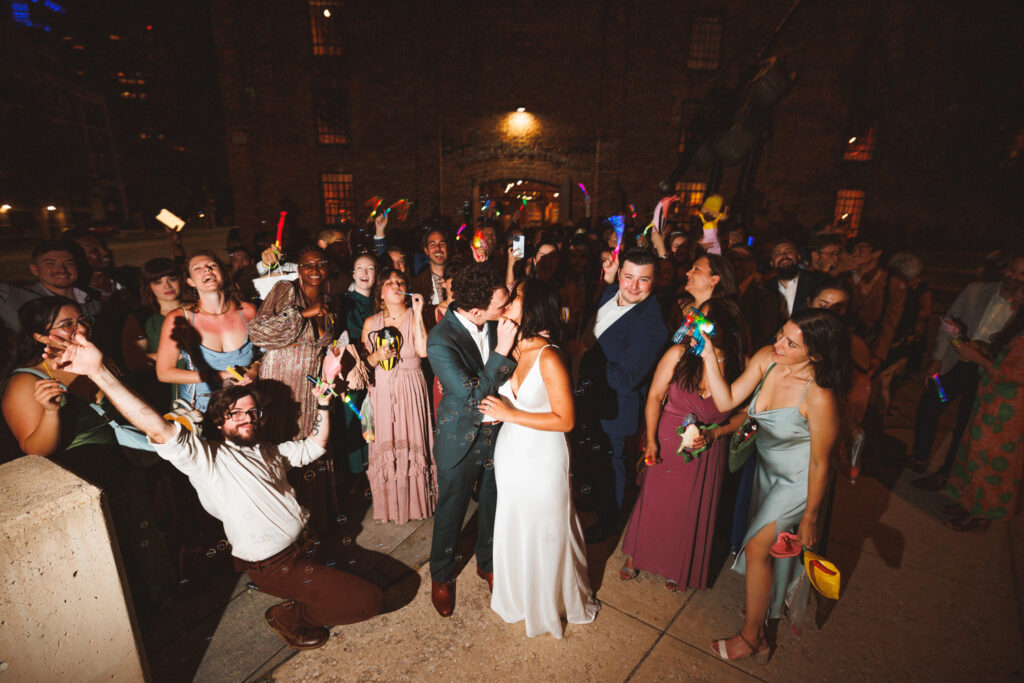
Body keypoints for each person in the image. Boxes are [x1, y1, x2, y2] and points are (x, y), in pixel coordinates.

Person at [42, 333, 383, 651]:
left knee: (350, 579)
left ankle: (307, 593)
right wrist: (99, 372)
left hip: (308, 547)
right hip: (277, 566)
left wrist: (322, 402)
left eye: (252, 412)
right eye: (235, 414)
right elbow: (158, 429)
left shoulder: (267, 450)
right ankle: (290, 616)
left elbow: (314, 447)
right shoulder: (207, 459)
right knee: (369, 601)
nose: (246, 418)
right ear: (219, 423)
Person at [700, 308, 848, 662]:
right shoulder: (767, 359)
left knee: (756, 548)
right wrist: (707, 355)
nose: (778, 344)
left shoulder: (819, 396)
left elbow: (821, 463)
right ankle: (762, 621)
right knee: (763, 552)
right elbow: (726, 400)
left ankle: (752, 637)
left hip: (798, 481)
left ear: (816, 355)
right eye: (781, 333)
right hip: (766, 471)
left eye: (791, 343)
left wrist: (811, 516)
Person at [479, 279, 599, 638]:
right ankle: (517, 597)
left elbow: (566, 420)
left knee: (546, 529)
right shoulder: (510, 346)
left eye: (515, 297)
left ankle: (550, 603)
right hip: (511, 453)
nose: (508, 301)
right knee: (515, 523)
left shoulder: (550, 356)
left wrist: (510, 414)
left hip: (543, 457)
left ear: (533, 306)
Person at [620, 297, 748, 591]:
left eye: (703, 321)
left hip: (708, 449)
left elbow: (745, 416)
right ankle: (636, 555)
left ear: (722, 329)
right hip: (668, 439)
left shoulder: (739, 365)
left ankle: (679, 565)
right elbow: (654, 397)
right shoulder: (679, 354)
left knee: (690, 511)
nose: (693, 325)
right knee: (654, 502)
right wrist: (651, 439)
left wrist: (716, 433)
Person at [427, 262, 517, 617]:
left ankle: (487, 562)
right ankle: (441, 575)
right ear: (477, 311)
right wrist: (502, 350)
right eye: (501, 306)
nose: (507, 310)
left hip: (500, 430)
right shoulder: (440, 340)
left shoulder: (494, 322)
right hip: (460, 435)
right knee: (451, 510)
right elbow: (472, 398)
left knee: (494, 501)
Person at [576, 248, 668, 542]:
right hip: (591, 397)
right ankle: (595, 499)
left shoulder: (652, 325)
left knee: (610, 465)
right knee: (593, 460)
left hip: (616, 408)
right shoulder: (610, 292)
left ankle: (609, 522)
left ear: (654, 281)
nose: (633, 286)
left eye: (643, 280)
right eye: (628, 277)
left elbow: (627, 380)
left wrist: (585, 355)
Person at [910, 253, 1024, 487]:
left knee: (965, 423)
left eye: (1022, 274)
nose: (1014, 276)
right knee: (932, 401)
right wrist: (937, 359)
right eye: (1012, 269)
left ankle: (945, 473)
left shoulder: (1020, 310)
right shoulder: (975, 290)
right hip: (953, 364)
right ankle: (920, 457)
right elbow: (947, 322)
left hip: (983, 374)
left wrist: (983, 351)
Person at [361, 267, 435, 524]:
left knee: (412, 442)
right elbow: (363, 366)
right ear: (380, 293)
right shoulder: (371, 323)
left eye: (400, 281)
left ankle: (416, 504)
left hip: (410, 388)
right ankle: (391, 507)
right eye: (389, 282)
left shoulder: (416, 315)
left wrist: (418, 312)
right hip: (382, 391)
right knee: (387, 445)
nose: (395, 285)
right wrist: (375, 356)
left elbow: (423, 351)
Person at [943, 309, 1024, 532]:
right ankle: (968, 503)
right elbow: (1004, 358)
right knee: (975, 452)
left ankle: (980, 515)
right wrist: (978, 347)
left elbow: (1014, 375)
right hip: (994, 399)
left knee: (992, 462)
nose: (1016, 296)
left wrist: (977, 357)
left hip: (1009, 409)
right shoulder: (1019, 323)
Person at [155, 251, 258, 412]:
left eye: (212, 266)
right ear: (190, 281)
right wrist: (218, 376)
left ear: (223, 273)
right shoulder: (180, 318)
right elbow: (164, 373)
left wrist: (254, 370)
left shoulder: (248, 311)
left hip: (245, 405)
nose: (207, 270)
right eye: (197, 268)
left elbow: (264, 354)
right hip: (201, 407)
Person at [121, 258, 186, 411]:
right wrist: (172, 356)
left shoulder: (198, 309)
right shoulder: (141, 317)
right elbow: (134, 361)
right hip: (162, 392)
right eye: (157, 282)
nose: (167, 286)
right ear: (148, 286)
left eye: (171, 279)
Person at [764, 239, 822, 320]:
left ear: (799, 257)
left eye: (789, 251)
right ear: (772, 263)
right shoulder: (766, 288)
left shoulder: (817, 281)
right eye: (778, 254)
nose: (784, 256)